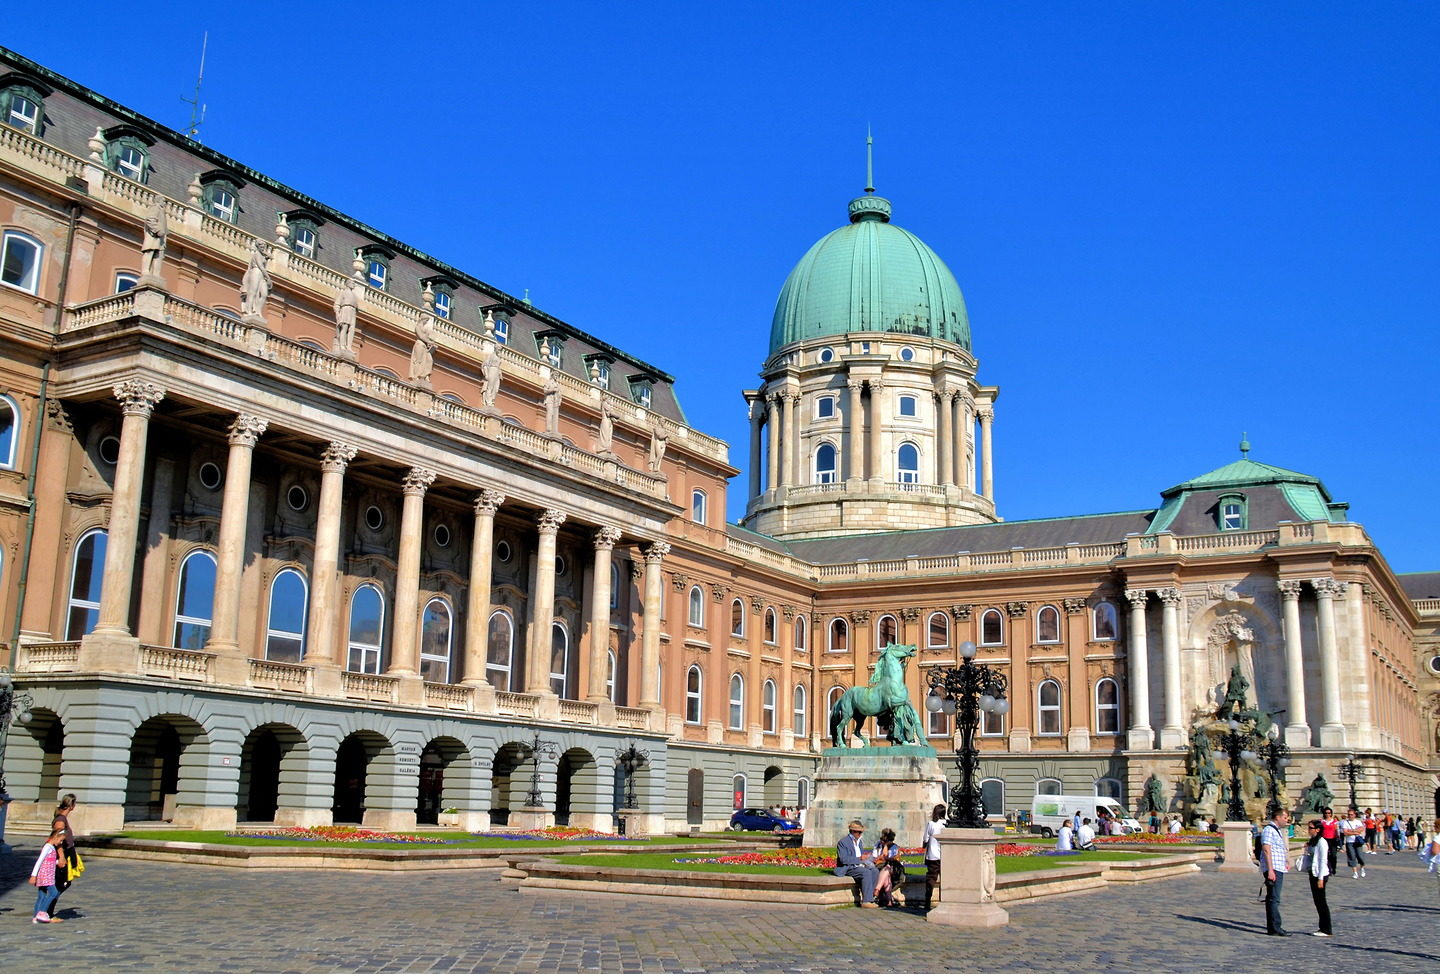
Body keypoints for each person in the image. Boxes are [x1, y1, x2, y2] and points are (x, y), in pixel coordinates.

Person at [1260, 808, 1291, 936]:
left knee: (1273, 897)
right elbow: (1266, 849)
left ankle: (1273, 927)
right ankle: (1275, 927)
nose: (1286, 820)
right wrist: (1270, 870)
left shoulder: (1276, 831)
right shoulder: (1268, 830)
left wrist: (1285, 862)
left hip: (1278, 867)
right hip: (1273, 869)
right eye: (1285, 817)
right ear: (1277, 817)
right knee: (1274, 898)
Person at [834, 820, 879, 908]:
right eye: (859, 832)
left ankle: (870, 897)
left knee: (875, 871)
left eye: (861, 832)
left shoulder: (859, 842)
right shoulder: (843, 842)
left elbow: (861, 856)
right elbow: (843, 859)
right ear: (853, 831)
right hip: (848, 867)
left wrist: (866, 858)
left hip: (860, 865)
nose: (860, 834)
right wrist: (859, 859)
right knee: (866, 872)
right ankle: (866, 901)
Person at [1300, 819, 1332, 937]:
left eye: (1311, 828)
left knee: (1321, 901)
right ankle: (1322, 927)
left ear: (1318, 830)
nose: (1309, 830)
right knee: (1317, 901)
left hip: (1320, 874)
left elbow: (1323, 861)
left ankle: (1326, 929)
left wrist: (1321, 878)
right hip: (1313, 873)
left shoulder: (1322, 842)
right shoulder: (1313, 841)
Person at [28, 829, 67, 924]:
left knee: (41, 895)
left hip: (46, 874)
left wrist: (58, 862)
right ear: (55, 836)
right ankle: (42, 912)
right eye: (60, 840)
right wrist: (33, 875)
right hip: (46, 875)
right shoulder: (48, 847)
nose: (60, 843)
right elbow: (39, 861)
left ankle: (36, 916)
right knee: (54, 892)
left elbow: (49, 861)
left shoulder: (51, 848)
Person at [51, 793, 78, 911]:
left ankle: (48, 909)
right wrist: (61, 857)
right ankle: (48, 909)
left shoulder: (63, 819)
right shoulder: (61, 821)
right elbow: (58, 841)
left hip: (68, 853)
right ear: (71, 805)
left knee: (65, 882)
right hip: (63, 855)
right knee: (60, 883)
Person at [871, 828, 905, 907]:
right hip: (881, 868)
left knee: (887, 868)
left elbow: (887, 858)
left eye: (886, 841)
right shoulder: (878, 845)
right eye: (883, 841)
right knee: (886, 875)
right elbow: (875, 857)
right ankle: (889, 900)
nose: (883, 842)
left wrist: (885, 848)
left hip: (895, 870)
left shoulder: (894, 847)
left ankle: (877, 890)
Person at [922, 804, 946, 911]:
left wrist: (924, 845)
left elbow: (925, 839)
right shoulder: (946, 824)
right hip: (944, 855)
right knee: (945, 879)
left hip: (932, 856)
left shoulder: (931, 824)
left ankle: (927, 900)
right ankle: (944, 900)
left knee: (931, 879)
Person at [1342, 805, 1367, 878]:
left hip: (1357, 841)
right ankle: (1355, 872)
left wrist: (1351, 831)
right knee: (1352, 857)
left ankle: (1362, 867)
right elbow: (1345, 832)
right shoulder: (1345, 822)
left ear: (1355, 815)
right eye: (1349, 815)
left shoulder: (1358, 822)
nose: (1350, 816)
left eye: (1351, 814)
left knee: (1360, 856)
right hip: (1349, 842)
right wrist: (1355, 832)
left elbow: (1361, 829)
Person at [1319, 807, 1340, 875]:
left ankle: (1334, 867)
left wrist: (1338, 837)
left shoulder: (1334, 821)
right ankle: (1328, 869)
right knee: (1326, 855)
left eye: (1329, 813)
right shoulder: (1322, 821)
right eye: (1326, 813)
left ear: (1331, 814)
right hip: (1325, 839)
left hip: (1333, 839)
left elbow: (1337, 830)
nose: (1327, 814)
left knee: (1333, 855)